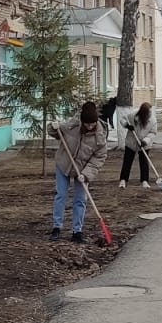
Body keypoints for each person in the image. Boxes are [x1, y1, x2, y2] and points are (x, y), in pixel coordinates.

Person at [48, 99, 109, 242]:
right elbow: (56, 132)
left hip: (83, 169)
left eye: (92, 124)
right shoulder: (72, 126)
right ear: (82, 121)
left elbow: (99, 157)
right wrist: (53, 127)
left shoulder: (100, 136)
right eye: (87, 124)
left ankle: (77, 231)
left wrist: (86, 174)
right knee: (61, 195)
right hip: (64, 164)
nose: (90, 126)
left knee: (80, 199)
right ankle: (56, 227)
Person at [119, 101, 157, 188]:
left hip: (144, 144)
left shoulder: (152, 120)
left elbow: (153, 132)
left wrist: (145, 141)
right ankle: (123, 180)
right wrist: (126, 125)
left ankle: (144, 181)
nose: (149, 114)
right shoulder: (132, 116)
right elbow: (122, 119)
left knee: (144, 162)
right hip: (131, 142)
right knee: (127, 161)